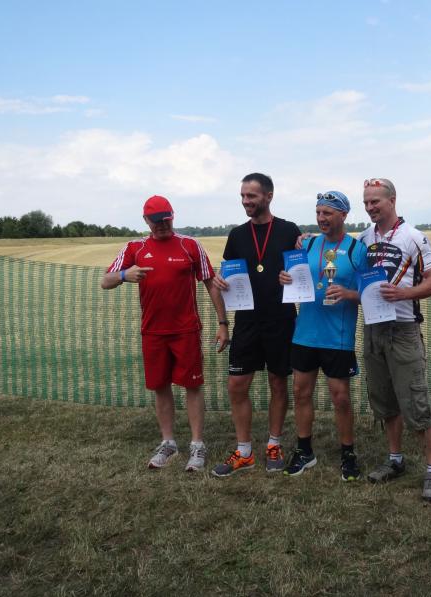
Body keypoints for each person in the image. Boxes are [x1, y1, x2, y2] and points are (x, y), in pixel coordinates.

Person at [101, 196, 229, 471]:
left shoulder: (189, 245)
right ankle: (168, 443)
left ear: (173, 216)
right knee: (160, 386)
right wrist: (124, 275)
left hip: (186, 330)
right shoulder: (135, 247)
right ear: (146, 221)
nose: (162, 225)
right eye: (156, 221)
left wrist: (223, 323)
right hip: (153, 332)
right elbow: (105, 281)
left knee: (193, 386)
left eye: (166, 220)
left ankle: (197, 445)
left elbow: (210, 283)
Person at [357, 178, 431, 502]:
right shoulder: (363, 239)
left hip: (403, 330)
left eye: (375, 202)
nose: (370, 208)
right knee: (384, 400)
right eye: (366, 203)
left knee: (415, 401)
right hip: (373, 330)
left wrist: (404, 294)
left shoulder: (414, 237)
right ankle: (395, 459)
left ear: (392, 200)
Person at [211, 173, 301, 476]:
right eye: (242, 196)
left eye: (251, 196)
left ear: (268, 196)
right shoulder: (237, 234)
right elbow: (228, 274)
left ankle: (274, 444)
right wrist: (222, 282)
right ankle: (244, 451)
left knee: (278, 382)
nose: (245, 201)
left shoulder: (289, 230)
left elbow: (302, 274)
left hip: (281, 320)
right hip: (246, 322)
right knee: (237, 385)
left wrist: (293, 276)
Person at [278, 191, 367, 481]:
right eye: (318, 212)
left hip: (337, 337)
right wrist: (285, 278)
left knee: (340, 398)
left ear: (343, 214)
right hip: (305, 334)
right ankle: (304, 451)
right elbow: (295, 277)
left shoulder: (356, 249)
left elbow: (372, 293)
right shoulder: (307, 244)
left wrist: (350, 293)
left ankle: (348, 454)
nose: (321, 218)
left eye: (327, 213)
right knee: (300, 393)